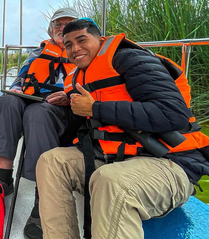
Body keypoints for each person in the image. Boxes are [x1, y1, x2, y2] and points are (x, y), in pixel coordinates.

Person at [36, 18, 209, 239]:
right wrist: (70, 100)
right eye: (68, 45)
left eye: (82, 40)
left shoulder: (132, 59)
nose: (75, 49)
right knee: (51, 162)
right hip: (115, 157)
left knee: (111, 182)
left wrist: (96, 108)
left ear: (100, 40)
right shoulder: (78, 76)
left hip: (169, 162)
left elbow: (173, 115)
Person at [0, 7, 80, 239]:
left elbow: (93, 85)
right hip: (34, 100)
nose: (62, 28)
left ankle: (45, 198)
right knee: (7, 102)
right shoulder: (37, 53)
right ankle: (3, 177)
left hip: (67, 110)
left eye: (67, 24)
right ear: (51, 32)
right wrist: (17, 88)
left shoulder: (82, 51)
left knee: (37, 114)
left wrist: (69, 97)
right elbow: (22, 78)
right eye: (58, 25)